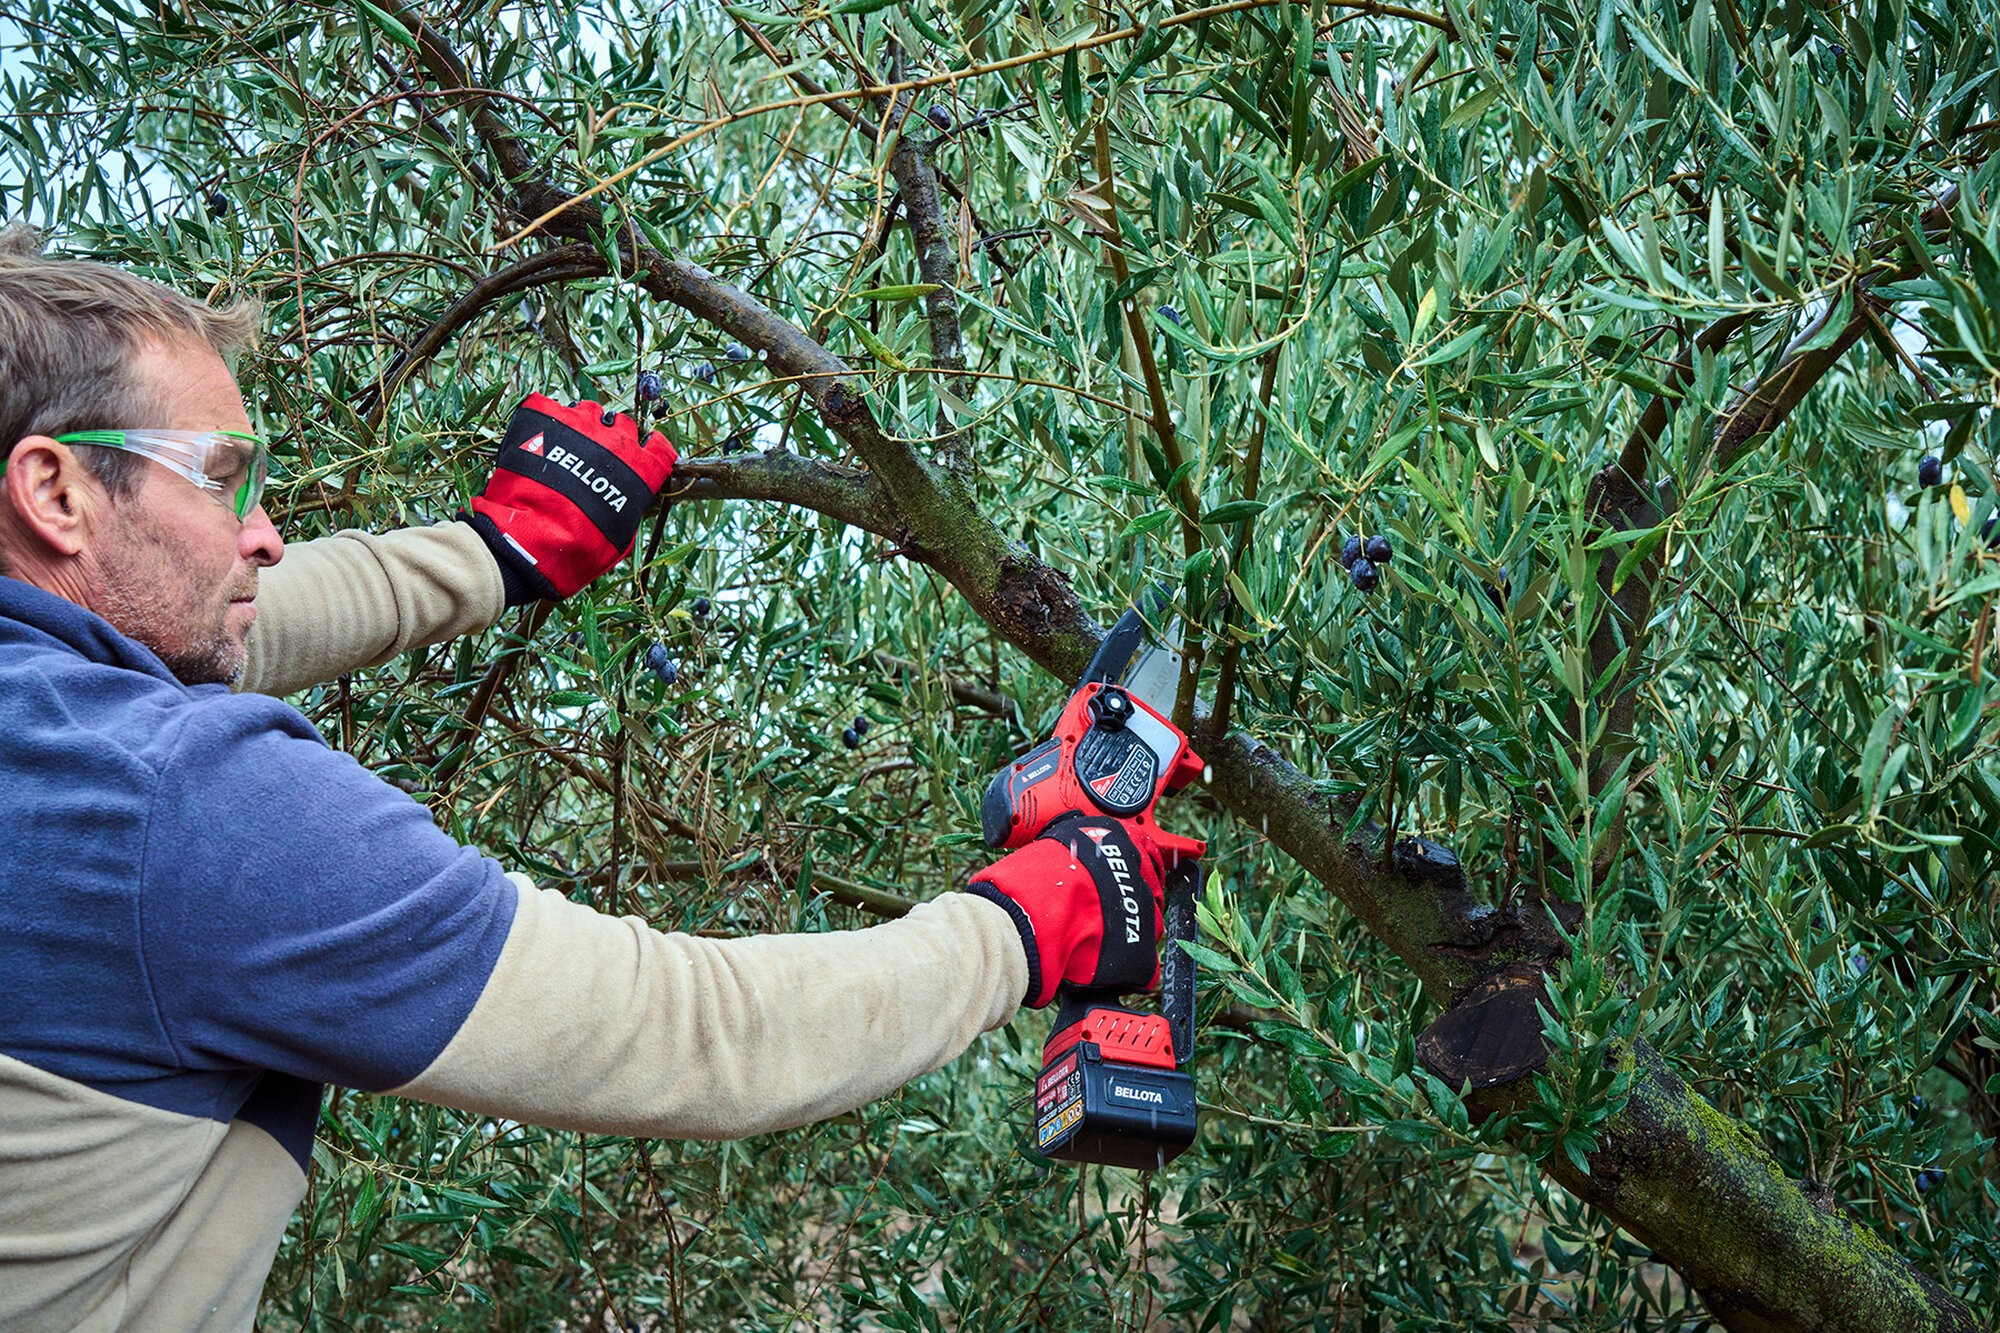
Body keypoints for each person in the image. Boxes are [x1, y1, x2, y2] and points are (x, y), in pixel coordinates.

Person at [0, 230, 1182, 1331]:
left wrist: (488, 555)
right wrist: (1030, 920)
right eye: (224, 477)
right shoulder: (179, 814)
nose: (265, 534)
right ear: (54, 492)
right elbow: (688, 1034)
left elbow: (175, 618)